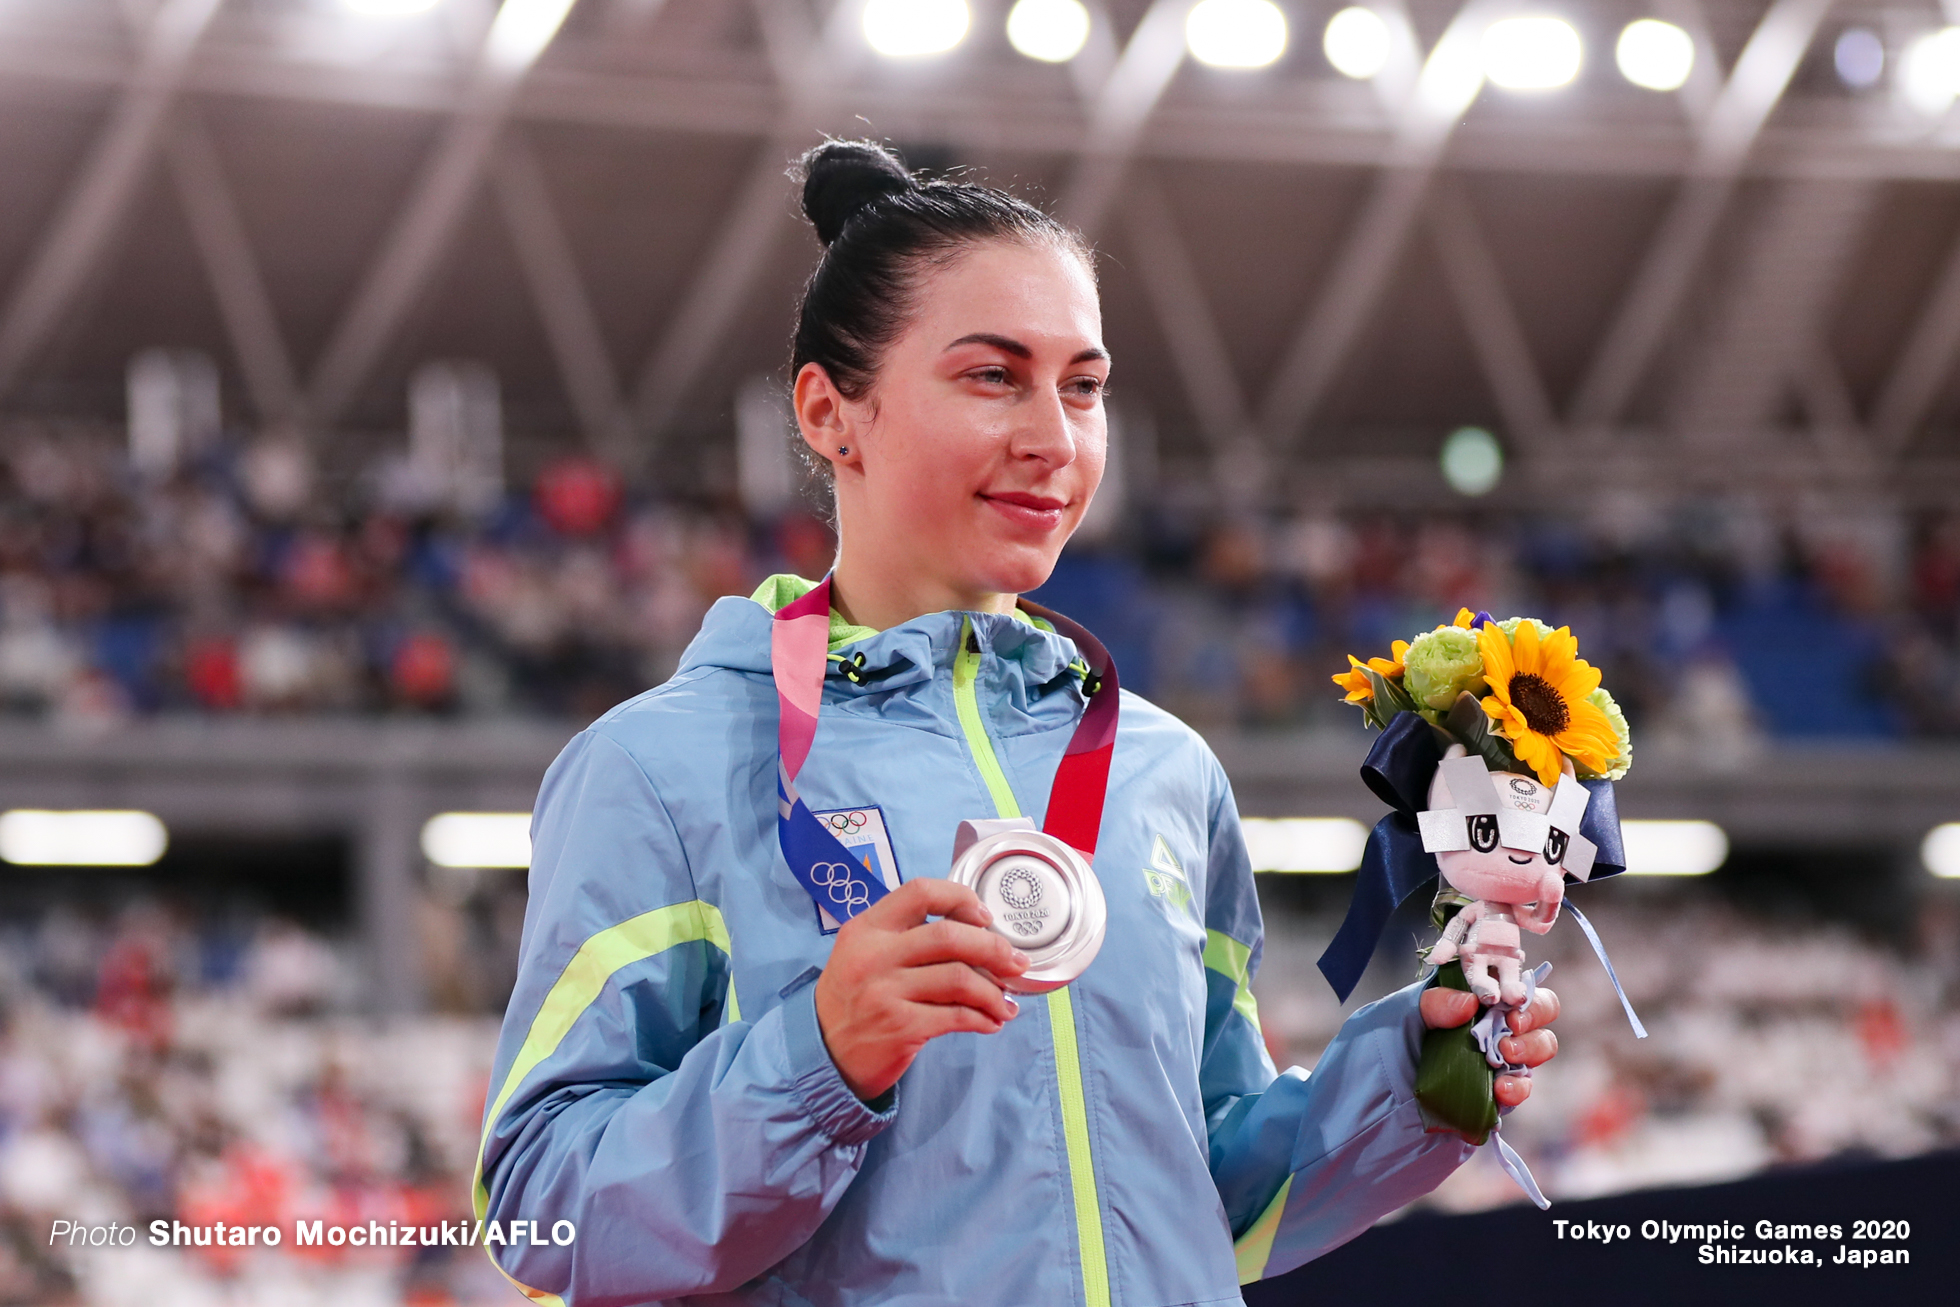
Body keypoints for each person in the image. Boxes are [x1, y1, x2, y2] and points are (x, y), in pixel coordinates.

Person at [473, 140, 1560, 1307]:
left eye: (1081, 386)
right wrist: (817, 1056)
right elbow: (540, 1212)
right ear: (832, 412)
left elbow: (1202, 1190)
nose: (1056, 437)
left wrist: (1403, 1077)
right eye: (993, 376)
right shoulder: (658, 767)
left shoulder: (1163, 771)